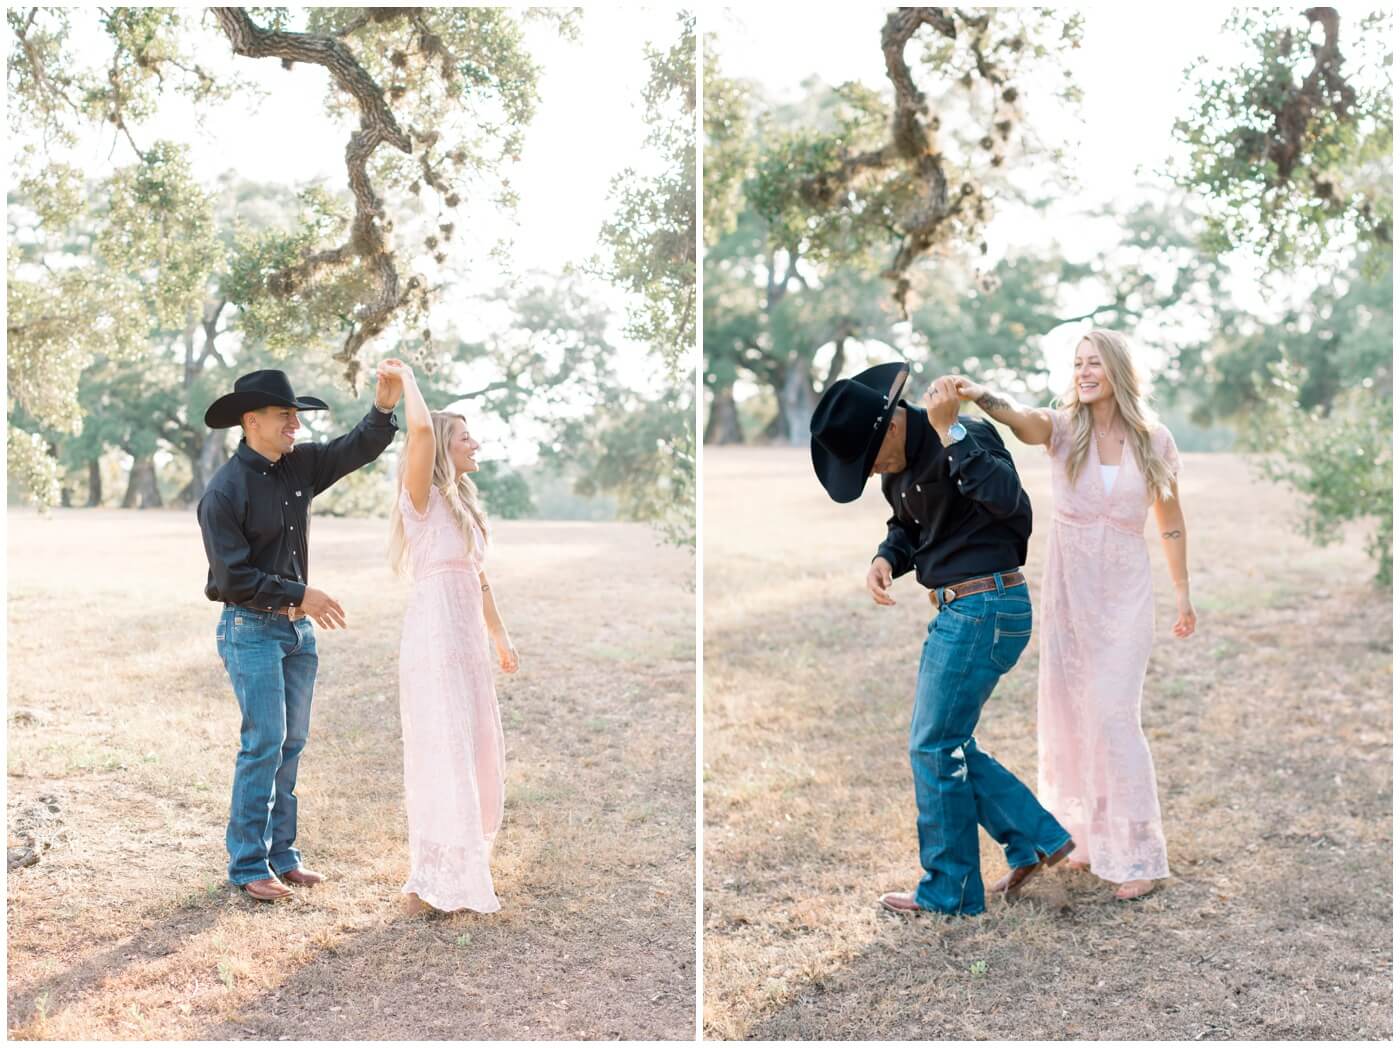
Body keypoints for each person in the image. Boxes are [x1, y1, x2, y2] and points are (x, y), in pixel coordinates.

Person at [809, 359, 1073, 917]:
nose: (874, 470)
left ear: (895, 425)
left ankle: (949, 890)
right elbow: (909, 526)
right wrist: (886, 557)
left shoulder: (966, 434)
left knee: (932, 745)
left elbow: (1011, 505)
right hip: (961, 607)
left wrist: (951, 430)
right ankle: (1035, 838)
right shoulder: (895, 472)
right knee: (947, 741)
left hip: (987, 604)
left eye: (871, 457)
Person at [954, 328, 1196, 901]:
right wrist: (984, 397)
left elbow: (1171, 519)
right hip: (1071, 591)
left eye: (1095, 363)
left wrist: (1183, 592)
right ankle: (1085, 838)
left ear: (1118, 371)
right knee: (1072, 711)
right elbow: (1022, 420)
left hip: (1126, 591)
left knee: (1114, 713)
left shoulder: (1153, 440)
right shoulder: (1063, 429)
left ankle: (1138, 855)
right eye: (1078, 363)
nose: (1085, 372)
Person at [198, 366, 403, 902]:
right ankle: (247, 865)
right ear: (251, 421)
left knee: (290, 744)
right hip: (251, 631)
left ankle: (283, 856)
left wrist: (382, 410)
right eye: (285, 415)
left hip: (297, 636)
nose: (295, 424)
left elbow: (354, 448)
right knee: (263, 744)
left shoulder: (299, 467)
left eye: (296, 415)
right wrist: (299, 594)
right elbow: (232, 578)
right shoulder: (223, 492)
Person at [381, 359, 518, 914]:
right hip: (434, 637)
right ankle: (428, 881)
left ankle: (459, 869)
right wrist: (408, 382)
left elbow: (480, 581)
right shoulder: (421, 497)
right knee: (443, 749)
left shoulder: (463, 503)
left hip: (467, 644)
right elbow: (417, 430)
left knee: (475, 746)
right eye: (464, 436)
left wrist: (501, 639)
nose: (475, 442)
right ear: (443, 445)